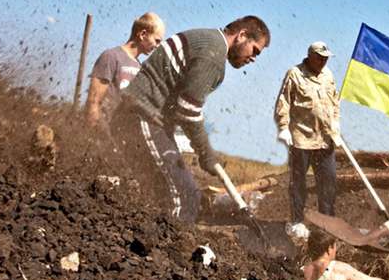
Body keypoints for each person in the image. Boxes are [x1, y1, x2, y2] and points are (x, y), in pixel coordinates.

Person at [110, 16, 270, 223]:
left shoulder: (206, 38)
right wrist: (206, 153)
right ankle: (166, 250)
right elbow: (188, 110)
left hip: (137, 117)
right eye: (255, 50)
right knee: (185, 198)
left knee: (159, 194)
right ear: (242, 36)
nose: (253, 58)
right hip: (142, 116)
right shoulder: (213, 54)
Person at [274, 41, 342, 240]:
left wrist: (336, 123)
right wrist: (283, 127)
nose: (323, 61)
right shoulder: (295, 74)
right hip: (301, 139)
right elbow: (284, 102)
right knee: (298, 183)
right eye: (320, 57)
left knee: (328, 182)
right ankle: (297, 222)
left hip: (324, 139)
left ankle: (327, 224)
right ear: (311, 56)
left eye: (326, 58)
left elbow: (335, 102)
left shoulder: (328, 76)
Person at [84, 12, 166, 133]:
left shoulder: (140, 67)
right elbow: (93, 101)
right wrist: (96, 135)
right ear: (143, 34)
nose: (157, 46)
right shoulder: (111, 57)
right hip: (103, 133)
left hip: (123, 137)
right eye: (157, 40)